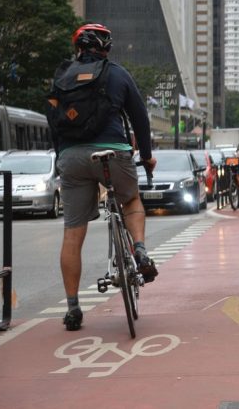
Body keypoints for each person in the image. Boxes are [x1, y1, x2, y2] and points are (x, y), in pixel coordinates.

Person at [48, 23, 157, 332]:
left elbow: (53, 121)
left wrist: (63, 157)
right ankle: (139, 249)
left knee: (72, 232)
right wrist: (146, 155)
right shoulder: (118, 74)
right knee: (131, 199)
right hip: (114, 151)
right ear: (106, 48)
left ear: (77, 47)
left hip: (72, 156)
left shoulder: (61, 76)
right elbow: (139, 118)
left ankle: (72, 308)